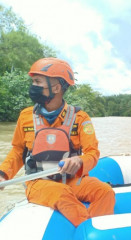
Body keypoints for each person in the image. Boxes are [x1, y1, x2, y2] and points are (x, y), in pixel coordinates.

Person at [0, 58, 115, 227]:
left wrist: (78, 161)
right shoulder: (25, 117)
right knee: (62, 194)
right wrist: (3, 174)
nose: (33, 86)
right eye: (33, 81)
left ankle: (96, 232)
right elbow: (18, 151)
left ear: (56, 87)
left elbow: (92, 153)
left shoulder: (80, 118)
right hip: (38, 183)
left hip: (71, 180)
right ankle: (89, 232)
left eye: (38, 82)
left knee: (105, 191)